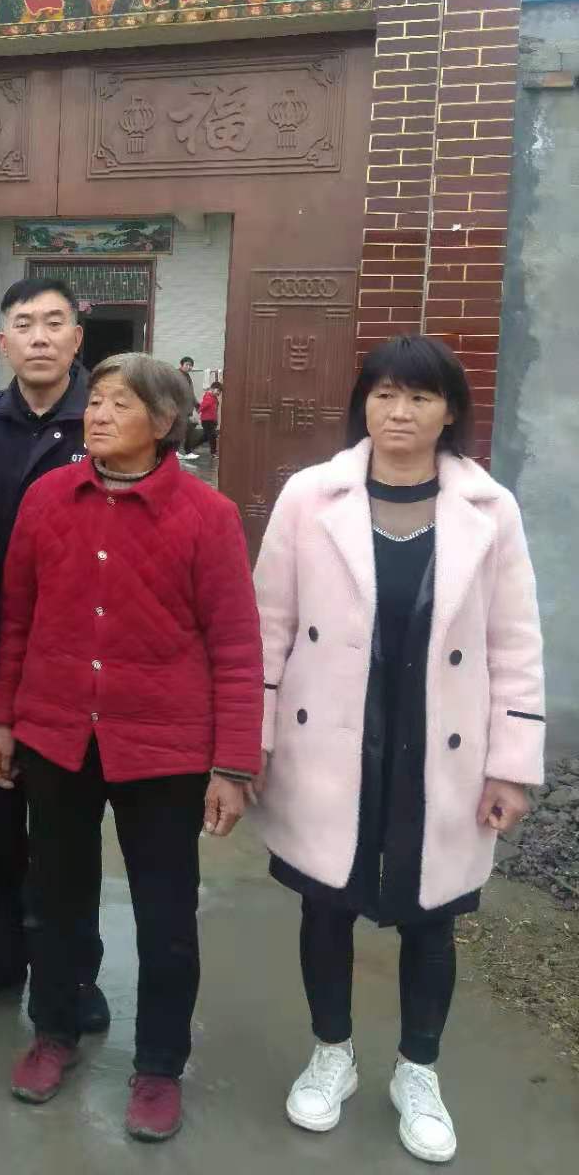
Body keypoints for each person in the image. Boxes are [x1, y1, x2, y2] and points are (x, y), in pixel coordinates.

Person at [252, 335, 545, 1165]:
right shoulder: (312, 496)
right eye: (383, 394)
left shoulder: (490, 509)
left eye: (419, 397)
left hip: (440, 747)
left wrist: (512, 765)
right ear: (363, 406)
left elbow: (515, 642)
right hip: (330, 740)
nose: (399, 413)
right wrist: (253, 741)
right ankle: (332, 1053)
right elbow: (268, 625)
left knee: (431, 918)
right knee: (326, 906)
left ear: (450, 411)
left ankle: (418, 1070)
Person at [0, 353, 263, 1141]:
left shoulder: (207, 516)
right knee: (56, 900)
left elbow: (236, 646)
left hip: (165, 751)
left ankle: (160, 1066)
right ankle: (55, 1031)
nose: (98, 415)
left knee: (166, 915)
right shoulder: (47, 499)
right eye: (96, 401)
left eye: (119, 404)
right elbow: (16, 618)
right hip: (57, 736)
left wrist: (233, 765)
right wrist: (4, 719)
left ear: (164, 422)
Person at [0, 278, 109, 1033]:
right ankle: (0, 956)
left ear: (78, 338)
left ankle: (74, 970)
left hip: (81, 661)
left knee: (71, 830)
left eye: (54, 323)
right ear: (2, 340)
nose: (40, 337)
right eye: (24, 324)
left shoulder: (109, 420)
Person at [177, 355, 200, 460]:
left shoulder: (187, 377)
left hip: (187, 409)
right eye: (187, 365)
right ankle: (176, 451)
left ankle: (187, 452)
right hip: (179, 409)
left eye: (191, 365)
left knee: (189, 429)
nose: (189, 367)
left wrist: (196, 404)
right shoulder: (177, 375)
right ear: (181, 365)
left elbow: (191, 393)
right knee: (179, 430)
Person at [199, 378, 223, 458]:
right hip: (207, 420)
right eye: (218, 390)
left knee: (207, 436)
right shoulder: (208, 396)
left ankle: (192, 444)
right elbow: (203, 406)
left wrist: (216, 420)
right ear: (212, 389)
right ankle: (213, 453)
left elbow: (215, 410)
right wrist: (199, 410)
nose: (218, 393)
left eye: (220, 392)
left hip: (212, 420)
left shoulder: (214, 398)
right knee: (212, 436)